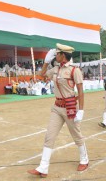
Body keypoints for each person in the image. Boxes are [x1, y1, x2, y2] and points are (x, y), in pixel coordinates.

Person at [28, 43, 88, 178]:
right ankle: (43, 167)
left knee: (76, 135)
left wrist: (81, 110)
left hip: (70, 107)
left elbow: (80, 91)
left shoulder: (74, 70)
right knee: (49, 136)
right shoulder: (55, 69)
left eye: (57, 54)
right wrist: (45, 62)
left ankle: (84, 159)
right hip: (57, 108)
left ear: (63, 56)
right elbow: (41, 75)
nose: (56, 56)